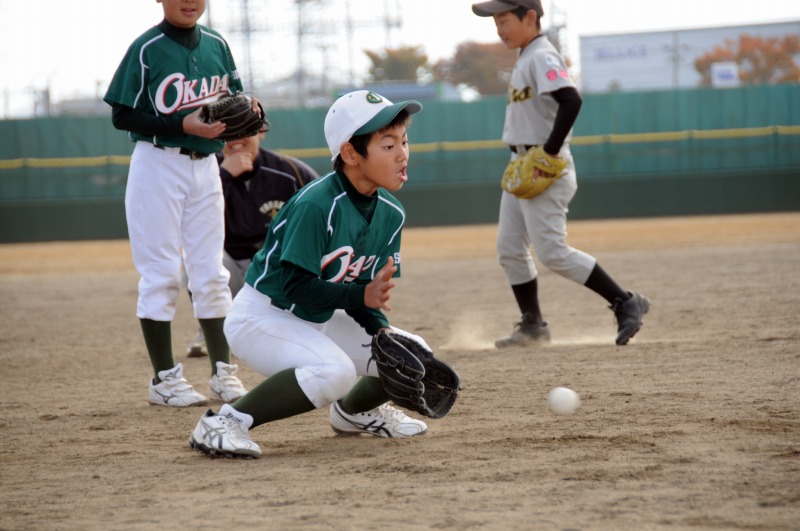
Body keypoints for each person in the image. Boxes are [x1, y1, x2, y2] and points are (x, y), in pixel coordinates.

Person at [189, 90, 430, 459]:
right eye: (387, 144)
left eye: (404, 141)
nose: (402, 153)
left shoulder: (391, 213)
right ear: (350, 153)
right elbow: (296, 286)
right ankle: (224, 422)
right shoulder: (316, 204)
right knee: (334, 372)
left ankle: (354, 413)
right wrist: (359, 299)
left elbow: (363, 291)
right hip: (263, 316)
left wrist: (379, 328)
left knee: (411, 353)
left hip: (319, 317)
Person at [472, 0, 651, 347]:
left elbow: (571, 99)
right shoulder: (526, 56)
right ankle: (533, 325)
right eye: (495, 20)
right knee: (509, 248)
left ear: (530, 16)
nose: (499, 27)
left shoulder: (540, 55)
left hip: (543, 168)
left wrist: (549, 152)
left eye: (504, 19)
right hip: (522, 167)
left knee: (552, 251)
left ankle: (626, 302)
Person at [103, 0, 249, 407]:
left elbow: (234, 100)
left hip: (206, 167)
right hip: (158, 163)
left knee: (211, 272)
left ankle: (223, 373)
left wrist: (250, 112)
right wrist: (178, 123)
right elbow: (121, 114)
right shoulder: (147, 48)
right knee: (162, 273)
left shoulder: (218, 44)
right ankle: (164, 380)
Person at [184, 125, 319, 358]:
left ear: (261, 131)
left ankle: (296, 325)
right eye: (228, 132)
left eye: (244, 129)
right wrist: (222, 176)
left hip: (276, 269)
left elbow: (325, 213)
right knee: (193, 260)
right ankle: (213, 328)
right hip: (231, 269)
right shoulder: (204, 171)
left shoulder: (291, 171)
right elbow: (187, 222)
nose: (236, 139)